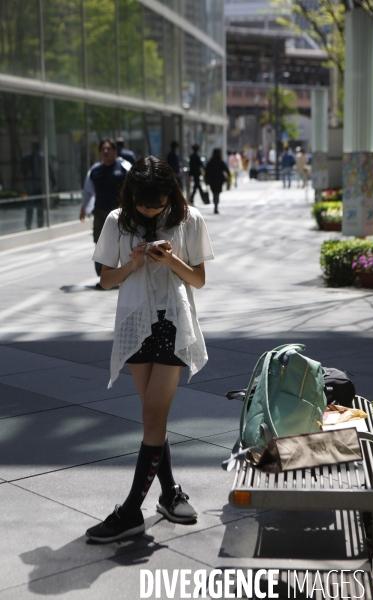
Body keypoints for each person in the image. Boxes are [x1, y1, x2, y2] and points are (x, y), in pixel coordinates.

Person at [85, 156, 214, 542]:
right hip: (136, 322)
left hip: (174, 322)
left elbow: (199, 280)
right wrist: (134, 263)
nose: (151, 211)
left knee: (153, 413)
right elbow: (106, 280)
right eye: (144, 204)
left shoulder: (189, 220)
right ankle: (169, 494)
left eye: (158, 204)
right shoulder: (116, 221)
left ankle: (130, 512)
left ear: (170, 196)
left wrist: (172, 259)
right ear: (131, 197)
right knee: (152, 417)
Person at [79, 138, 131, 285]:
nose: (106, 152)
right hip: (101, 213)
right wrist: (84, 208)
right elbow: (88, 192)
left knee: (123, 243)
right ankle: (103, 278)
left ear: (115, 152)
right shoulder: (95, 171)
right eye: (103, 149)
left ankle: (121, 275)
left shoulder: (124, 168)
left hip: (120, 214)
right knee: (100, 243)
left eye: (109, 149)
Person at [205, 148, 230, 214]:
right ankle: (216, 205)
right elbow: (226, 170)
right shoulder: (220, 161)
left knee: (214, 192)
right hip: (219, 180)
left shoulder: (210, 162)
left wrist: (206, 180)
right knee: (217, 193)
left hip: (212, 180)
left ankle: (215, 205)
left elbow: (207, 171)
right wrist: (228, 177)